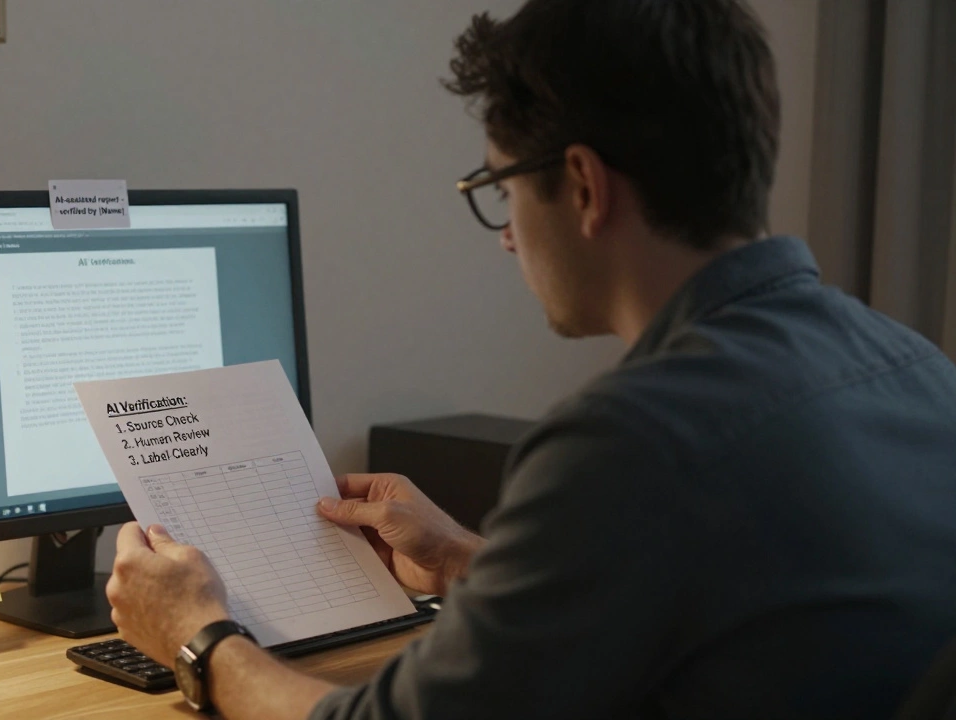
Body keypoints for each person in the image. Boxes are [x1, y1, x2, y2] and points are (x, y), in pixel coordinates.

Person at [104, 0, 956, 717]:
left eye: (502, 191)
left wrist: (198, 636)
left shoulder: (631, 442)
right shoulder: (919, 372)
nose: (509, 237)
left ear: (582, 186)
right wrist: (463, 557)